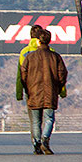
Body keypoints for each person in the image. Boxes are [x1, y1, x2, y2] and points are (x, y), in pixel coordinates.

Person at [19, 26, 68, 155]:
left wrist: (27, 87)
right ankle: (45, 139)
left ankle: (37, 143)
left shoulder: (29, 57)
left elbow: (23, 74)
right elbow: (62, 74)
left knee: (36, 121)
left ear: (38, 41)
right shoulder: (55, 57)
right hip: (50, 91)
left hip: (34, 92)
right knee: (49, 119)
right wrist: (58, 87)